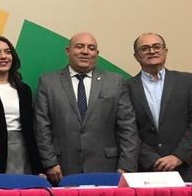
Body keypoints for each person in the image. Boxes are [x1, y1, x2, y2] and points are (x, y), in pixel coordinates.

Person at [34, 32, 139, 185]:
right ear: (67, 51)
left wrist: (127, 166)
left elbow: (127, 127)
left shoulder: (115, 81)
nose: (85, 51)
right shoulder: (48, 82)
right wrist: (50, 163)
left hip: (107, 168)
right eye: (79, 46)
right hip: (63, 168)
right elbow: (42, 126)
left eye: (91, 48)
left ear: (97, 53)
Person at [125, 33, 192, 181]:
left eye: (157, 46)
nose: (152, 51)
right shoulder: (126, 87)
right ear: (136, 56)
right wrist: (150, 159)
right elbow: (126, 129)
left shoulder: (187, 82)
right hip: (144, 171)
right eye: (145, 48)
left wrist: (178, 156)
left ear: (165, 51)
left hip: (183, 168)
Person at [0, 37, 43, 174]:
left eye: (7, 52)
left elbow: (31, 128)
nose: (3, 56)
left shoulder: (24, 90)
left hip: (23, 149)